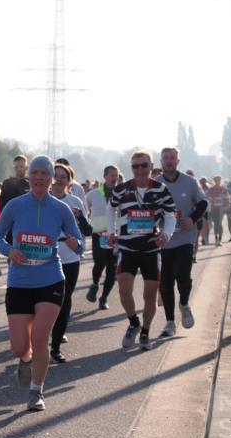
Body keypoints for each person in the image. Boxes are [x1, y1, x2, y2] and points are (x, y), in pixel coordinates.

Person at [0, 156, 84, 411]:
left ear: (52, 178)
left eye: (45, 173)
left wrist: (77, 245)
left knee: (41, 336)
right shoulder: (15, 205)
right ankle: (25, 358)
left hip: (51, 279)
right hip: (20, 281)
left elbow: (79, 241)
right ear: (29, 177)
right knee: (19, 345)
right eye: (36, 173)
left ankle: (36, 392)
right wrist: (9, 251)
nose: (40, 178)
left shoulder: (61, 209)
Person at [107, 150, 177, 351]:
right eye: (135, 166)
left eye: (143, 166)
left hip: (150, 249)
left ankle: (145, 331)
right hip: (127, 247)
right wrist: (111, 232)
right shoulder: (122, 189)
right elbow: (111, 208)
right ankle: (133, 323)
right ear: (131, 169)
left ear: (151, 167)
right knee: (124, 290)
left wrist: (165, 235)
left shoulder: (160, 189)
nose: (139, 170)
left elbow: (171, 215)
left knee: (149, 294)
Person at [158, 147, 207, 337]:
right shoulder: (156, 184)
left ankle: (184, 304)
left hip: (185, 238)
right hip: (164, 240)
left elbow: (203, 203)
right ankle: (170, 322)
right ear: (161, 162)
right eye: (166, 158)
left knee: (183, 275)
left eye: (172, 158)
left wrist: (192, 219)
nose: (169, 161)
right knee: (166, 282)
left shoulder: (189, 182)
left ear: (178, 161)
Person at [49, 163, 92, 362]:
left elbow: (88, 230)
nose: (58, 180)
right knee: (45, 302)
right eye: (55, 176)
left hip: (70, 258)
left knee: (64, 302)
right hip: (44, 258)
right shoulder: (43, 199)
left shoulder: (74, 201)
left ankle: (55, 347)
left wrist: (79, 218)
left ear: (69, 181)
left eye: (63, 177)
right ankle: (41, 337)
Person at [84, 165, 120, 310]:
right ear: (105, 176)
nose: (114, 178)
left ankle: (104, 298)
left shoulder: (122, 193)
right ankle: (94, 284)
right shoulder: (93, 194)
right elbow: (83, 212)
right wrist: (92, 227)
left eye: (116, 175)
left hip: (116, 237)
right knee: (99, 263)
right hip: (98, 235)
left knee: (112, 270)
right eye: (111, 175)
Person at [206, 175, 230, 246]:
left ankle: (220, 239)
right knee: (216, 223)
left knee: (219, 223)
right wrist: (210, 199)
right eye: (216, 180)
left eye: (219, 180)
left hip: (221, 209)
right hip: (214, 208)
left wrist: (227, 204)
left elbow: (227, 197)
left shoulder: (223, 188)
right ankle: (216, 238)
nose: (217, 181)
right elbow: (207, 196)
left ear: (220, 180)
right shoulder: (211, 189)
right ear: (214, 181)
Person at [198, 177, 212, 245]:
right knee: (203, 225)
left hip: (209, 209)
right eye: (201, 181)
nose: (203, 183)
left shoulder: (209, 189)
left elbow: (212, 198)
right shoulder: (199, 189)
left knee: (208, 225)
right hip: (202, 209)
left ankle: (207, 237)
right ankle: (204, 239)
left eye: (204, 181)